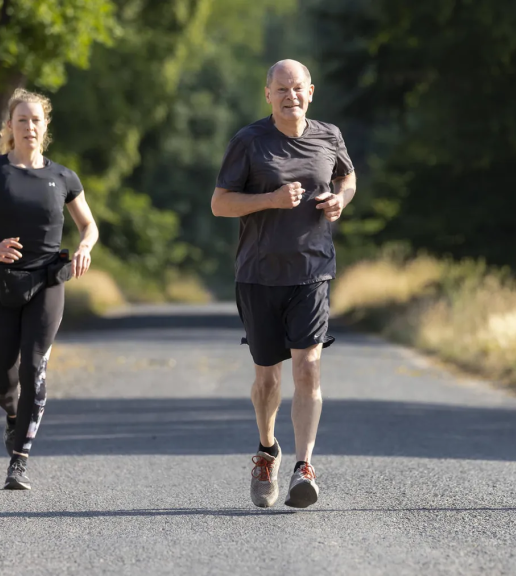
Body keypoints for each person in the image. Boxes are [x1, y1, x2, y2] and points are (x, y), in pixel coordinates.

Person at [211, 59, 356, 508]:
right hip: (258, 274)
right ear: (268, 95)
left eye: (297, 88)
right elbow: (220, 204)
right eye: (281, 89)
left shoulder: (329, 135)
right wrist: (271, 199)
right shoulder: (249, 141)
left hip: (312, 269)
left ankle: (304, 466)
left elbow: (347, 177)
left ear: (310, 92)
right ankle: (267, 449)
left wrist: (340, 200)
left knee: (308, 367)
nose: (290, 96)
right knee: (267, 377)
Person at [0, 88, 98, 490]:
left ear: (45, 126)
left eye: (36, 120)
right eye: (22, 120)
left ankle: (19, 460)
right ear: (9, 127)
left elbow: (88, 225)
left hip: (48, 281)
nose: (29, 127)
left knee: (34, 367)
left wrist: (84, 247)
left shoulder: (63, 177)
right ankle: (12, 413)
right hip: (1, 283)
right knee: (4, 379)